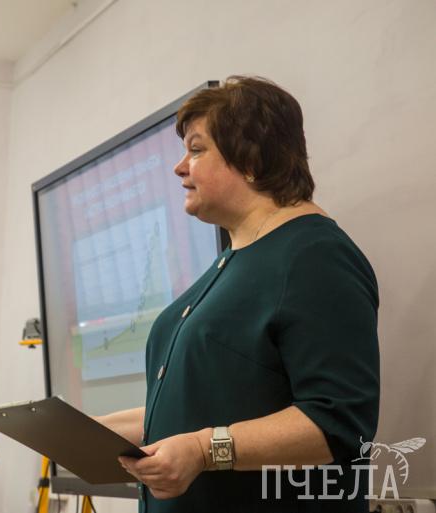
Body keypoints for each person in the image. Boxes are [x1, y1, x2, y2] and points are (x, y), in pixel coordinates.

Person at [98, 76, 379, 512]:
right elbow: (196, 409)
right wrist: (86, 431)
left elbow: (338, 422)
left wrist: (204, 450)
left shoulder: (315, 255)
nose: (179, 167)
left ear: (250, 159)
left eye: (196, 150)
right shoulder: (233, 260)